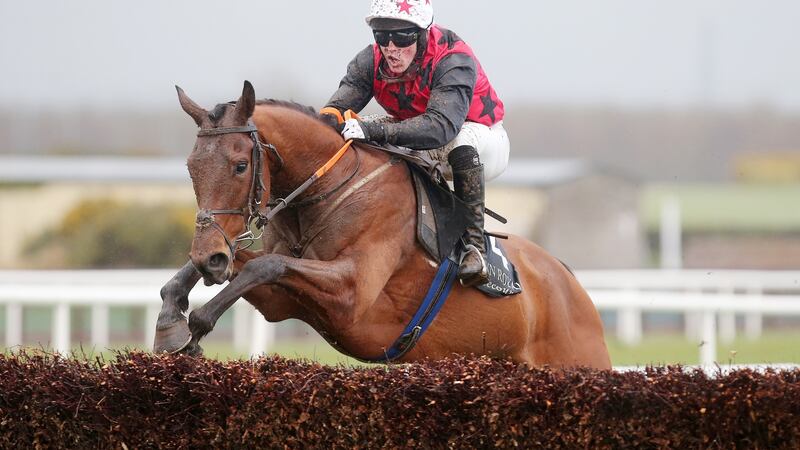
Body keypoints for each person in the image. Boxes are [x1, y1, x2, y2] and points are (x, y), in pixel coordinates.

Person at [320, 0, 509, 287]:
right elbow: (334, 112)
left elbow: (440, 127)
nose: (391, 47)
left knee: (458, 141)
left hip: (481, 139)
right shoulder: (369, 61)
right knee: (354, 128)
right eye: (382, 36)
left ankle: (475, 249)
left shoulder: (453, 58)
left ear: (423, 34)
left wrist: (370, 130)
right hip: (421, 136)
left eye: (403, 37)